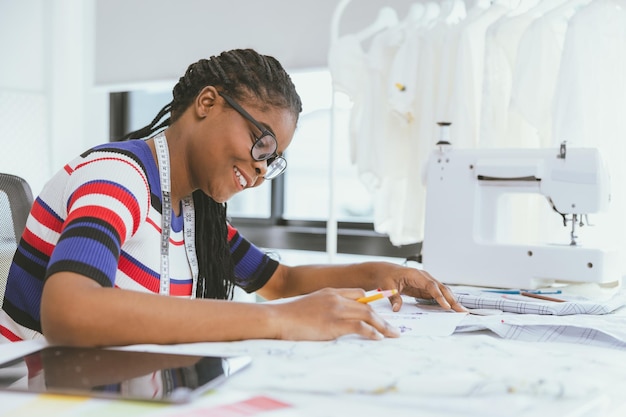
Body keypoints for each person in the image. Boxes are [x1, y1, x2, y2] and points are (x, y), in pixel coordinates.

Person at [0, 49, 465, 347]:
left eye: (273, 159)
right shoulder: (118, 178)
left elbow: (279, 282)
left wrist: (382, 272)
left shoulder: (191, 208)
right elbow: (69, 312)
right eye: (260, 143)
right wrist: (277, 322)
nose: (262, 168)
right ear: (207, 103)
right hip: (33, 388)